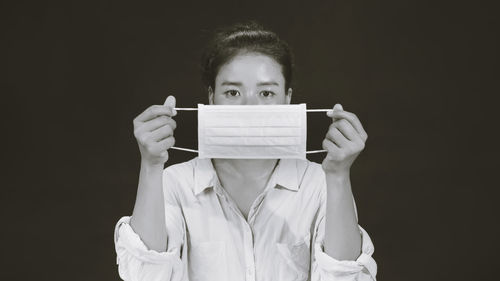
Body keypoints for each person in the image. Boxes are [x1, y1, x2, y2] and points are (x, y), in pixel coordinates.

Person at [114, 22, 377, 281]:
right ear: (211, 98)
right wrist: (150, 165)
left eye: (266, 93)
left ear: (287, 99)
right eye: (232, 92)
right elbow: (145, 276)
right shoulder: (174, 183)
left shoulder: (320, 184)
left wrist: (339, 176)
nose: (249, 105)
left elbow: (347, 279)